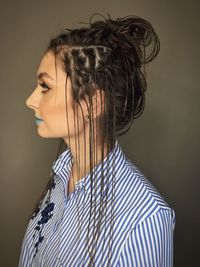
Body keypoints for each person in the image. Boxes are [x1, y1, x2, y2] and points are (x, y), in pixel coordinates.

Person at [18, 14, 176, 267]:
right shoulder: (60, 178)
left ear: (93, 103)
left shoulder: (145, 219)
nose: (30, 100)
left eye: (45, 87)